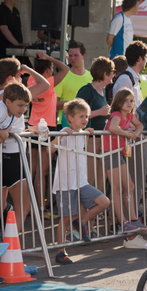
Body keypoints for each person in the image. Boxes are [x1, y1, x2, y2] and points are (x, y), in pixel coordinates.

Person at [51, 99, 110, 265]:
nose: (85, 119)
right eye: (81, 116)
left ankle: (83, 222)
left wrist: (87, 132)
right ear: (70, 117)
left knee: (104, 202)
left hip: (81, 181)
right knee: (66, 218)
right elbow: (50, 149)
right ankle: (61, 251)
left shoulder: (83, 133)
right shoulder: (64, 131)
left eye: (86, 116)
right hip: (66, 182)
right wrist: (61, 136)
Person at [0, 59, 50, 230]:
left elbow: (14, 126)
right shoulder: (11, 96)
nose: (21, 79)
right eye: (19, 76)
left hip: (13, 156)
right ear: (10, 78)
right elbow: (44, 84)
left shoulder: (16, 96)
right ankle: (10, 243)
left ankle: (10, 243)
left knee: (14, 205)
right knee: (20, 205)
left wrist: (31, 129)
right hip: (10, 158)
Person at [27, 52, 69, 213]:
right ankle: (39, 207)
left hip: (32, 126)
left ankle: (29, 205)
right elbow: (65, 69)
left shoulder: (30, 81)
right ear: (46, 71)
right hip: (46, 128)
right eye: (51, 69)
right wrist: (50, 58)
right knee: (42, 172)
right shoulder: (47, 83)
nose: (52, 72)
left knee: (31, 170)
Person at [103, 88, 146, 233]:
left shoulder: (129, 115)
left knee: (129, 186)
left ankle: (133, 220)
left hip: (118, 153)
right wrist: (128, 135)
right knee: (117, 188)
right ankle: (123, 222)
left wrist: (135, 133)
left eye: (132, 101)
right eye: (126, 100)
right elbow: (114, 127)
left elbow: (140, 125)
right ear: (119, 102)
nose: (129, 103)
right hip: (110, 153)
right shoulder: (116, 115)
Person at [76, 56, 114, 192]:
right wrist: (100, 112)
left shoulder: (101, 91)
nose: (113, 75)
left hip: (100, 140)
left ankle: (97, 211)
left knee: (100, 179)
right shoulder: (86, 90)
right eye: (112, 72)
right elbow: (77, 114)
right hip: (89, 140)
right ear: (105, 74)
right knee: (89, 178)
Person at [55, 40, 93, 128]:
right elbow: (54, 104)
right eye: (70, 56)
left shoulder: (91, 76)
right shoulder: (62, 76)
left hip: (86, 123)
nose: (72, 58)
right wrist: (74, 104)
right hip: (65, 124)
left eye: (76, 55)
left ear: (84, 55)